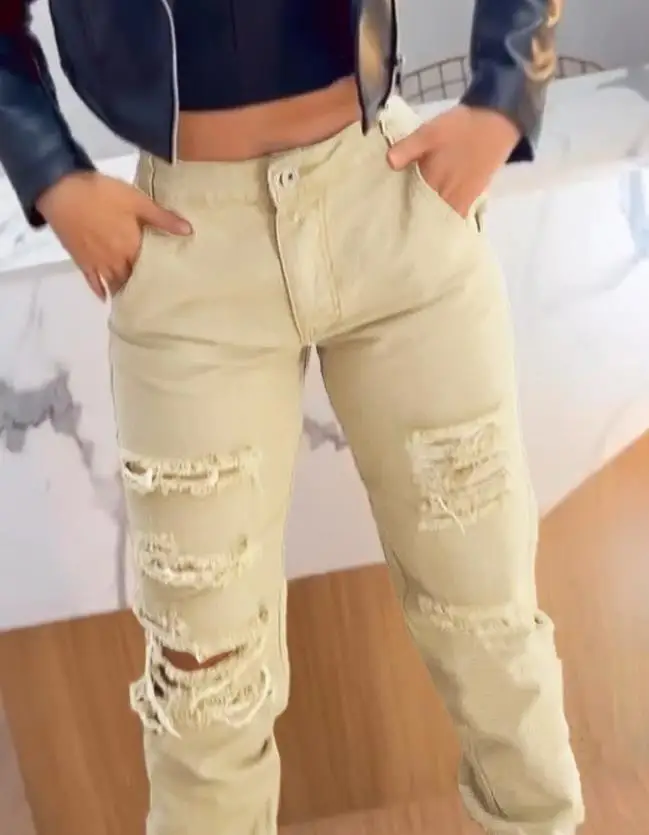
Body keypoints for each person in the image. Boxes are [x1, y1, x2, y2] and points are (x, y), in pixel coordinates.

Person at [0, 1, 584, 833]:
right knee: (203, 685)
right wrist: (50, 174)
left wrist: (506, 94)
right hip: (189, 251)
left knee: (490, 624)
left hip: (387, 202)